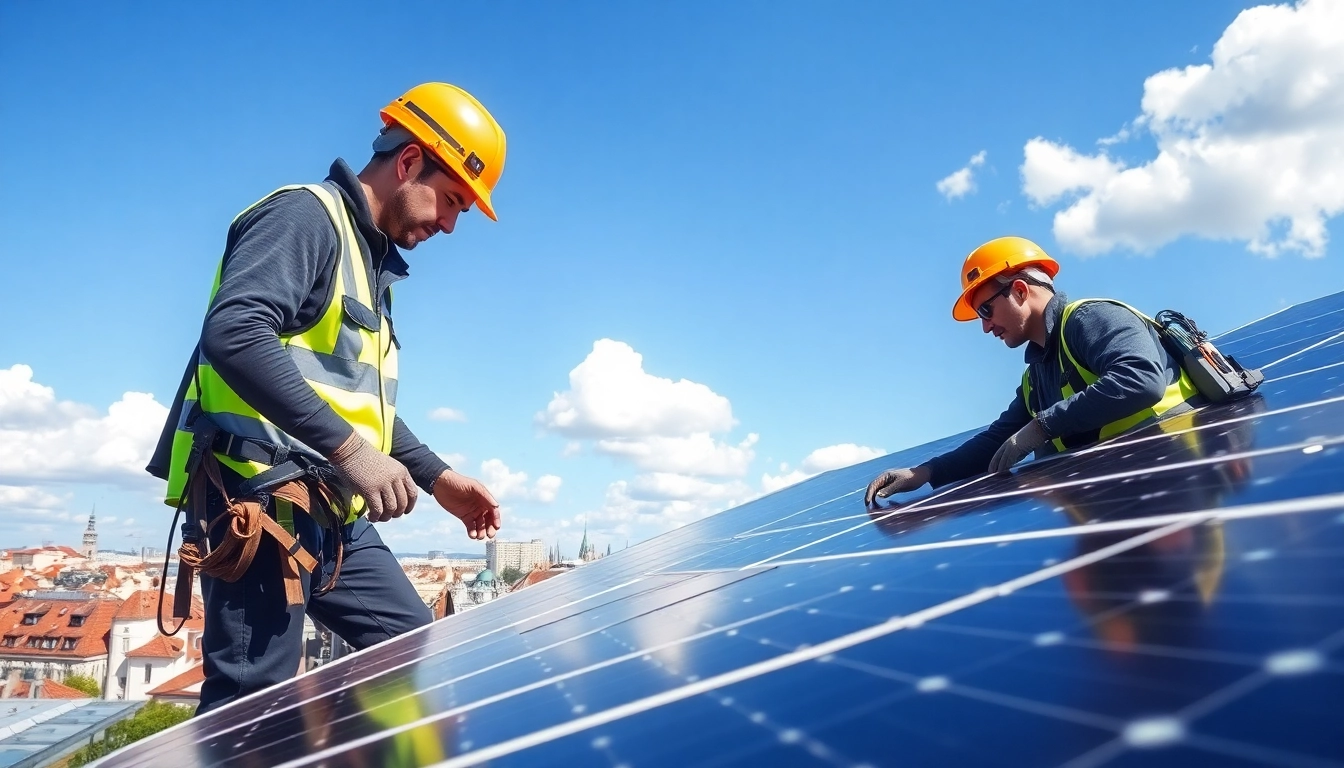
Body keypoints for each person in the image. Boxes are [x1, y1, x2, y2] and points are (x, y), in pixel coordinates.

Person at [146, 82, 506, 714]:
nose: (450, 224)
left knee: (410, 647)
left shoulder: (369, 264)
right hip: (260, 498)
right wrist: (352, 453)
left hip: (331, 510)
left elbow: (361, 408)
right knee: (252, 710)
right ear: (409, 161)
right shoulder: (305, 217)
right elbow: (233, 331)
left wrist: (439, 477)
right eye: (452, 201)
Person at [865, 236, 1201, 505]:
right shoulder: (1036, 377)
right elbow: (999, 440)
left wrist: (1042, 426)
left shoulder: (1090, 318)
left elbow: (1141, 379)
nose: (985, 327)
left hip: (1183, 483)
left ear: (1021, 291)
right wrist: (924, 472)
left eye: (986, 309)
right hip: (1129, 497)